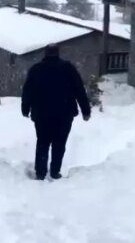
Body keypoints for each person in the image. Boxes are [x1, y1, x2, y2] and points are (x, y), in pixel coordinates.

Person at [22, 44, 91, 180]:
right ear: (58, 53)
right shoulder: (68, 69)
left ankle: (40, 172)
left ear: (45, 54)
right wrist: (85, 110)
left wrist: (25, 108)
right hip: (64, 114)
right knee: (59, 144)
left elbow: (27, 91)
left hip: (42, 114)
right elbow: (79, 90)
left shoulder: (36, 69)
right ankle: (55, 171)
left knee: (42, 142)